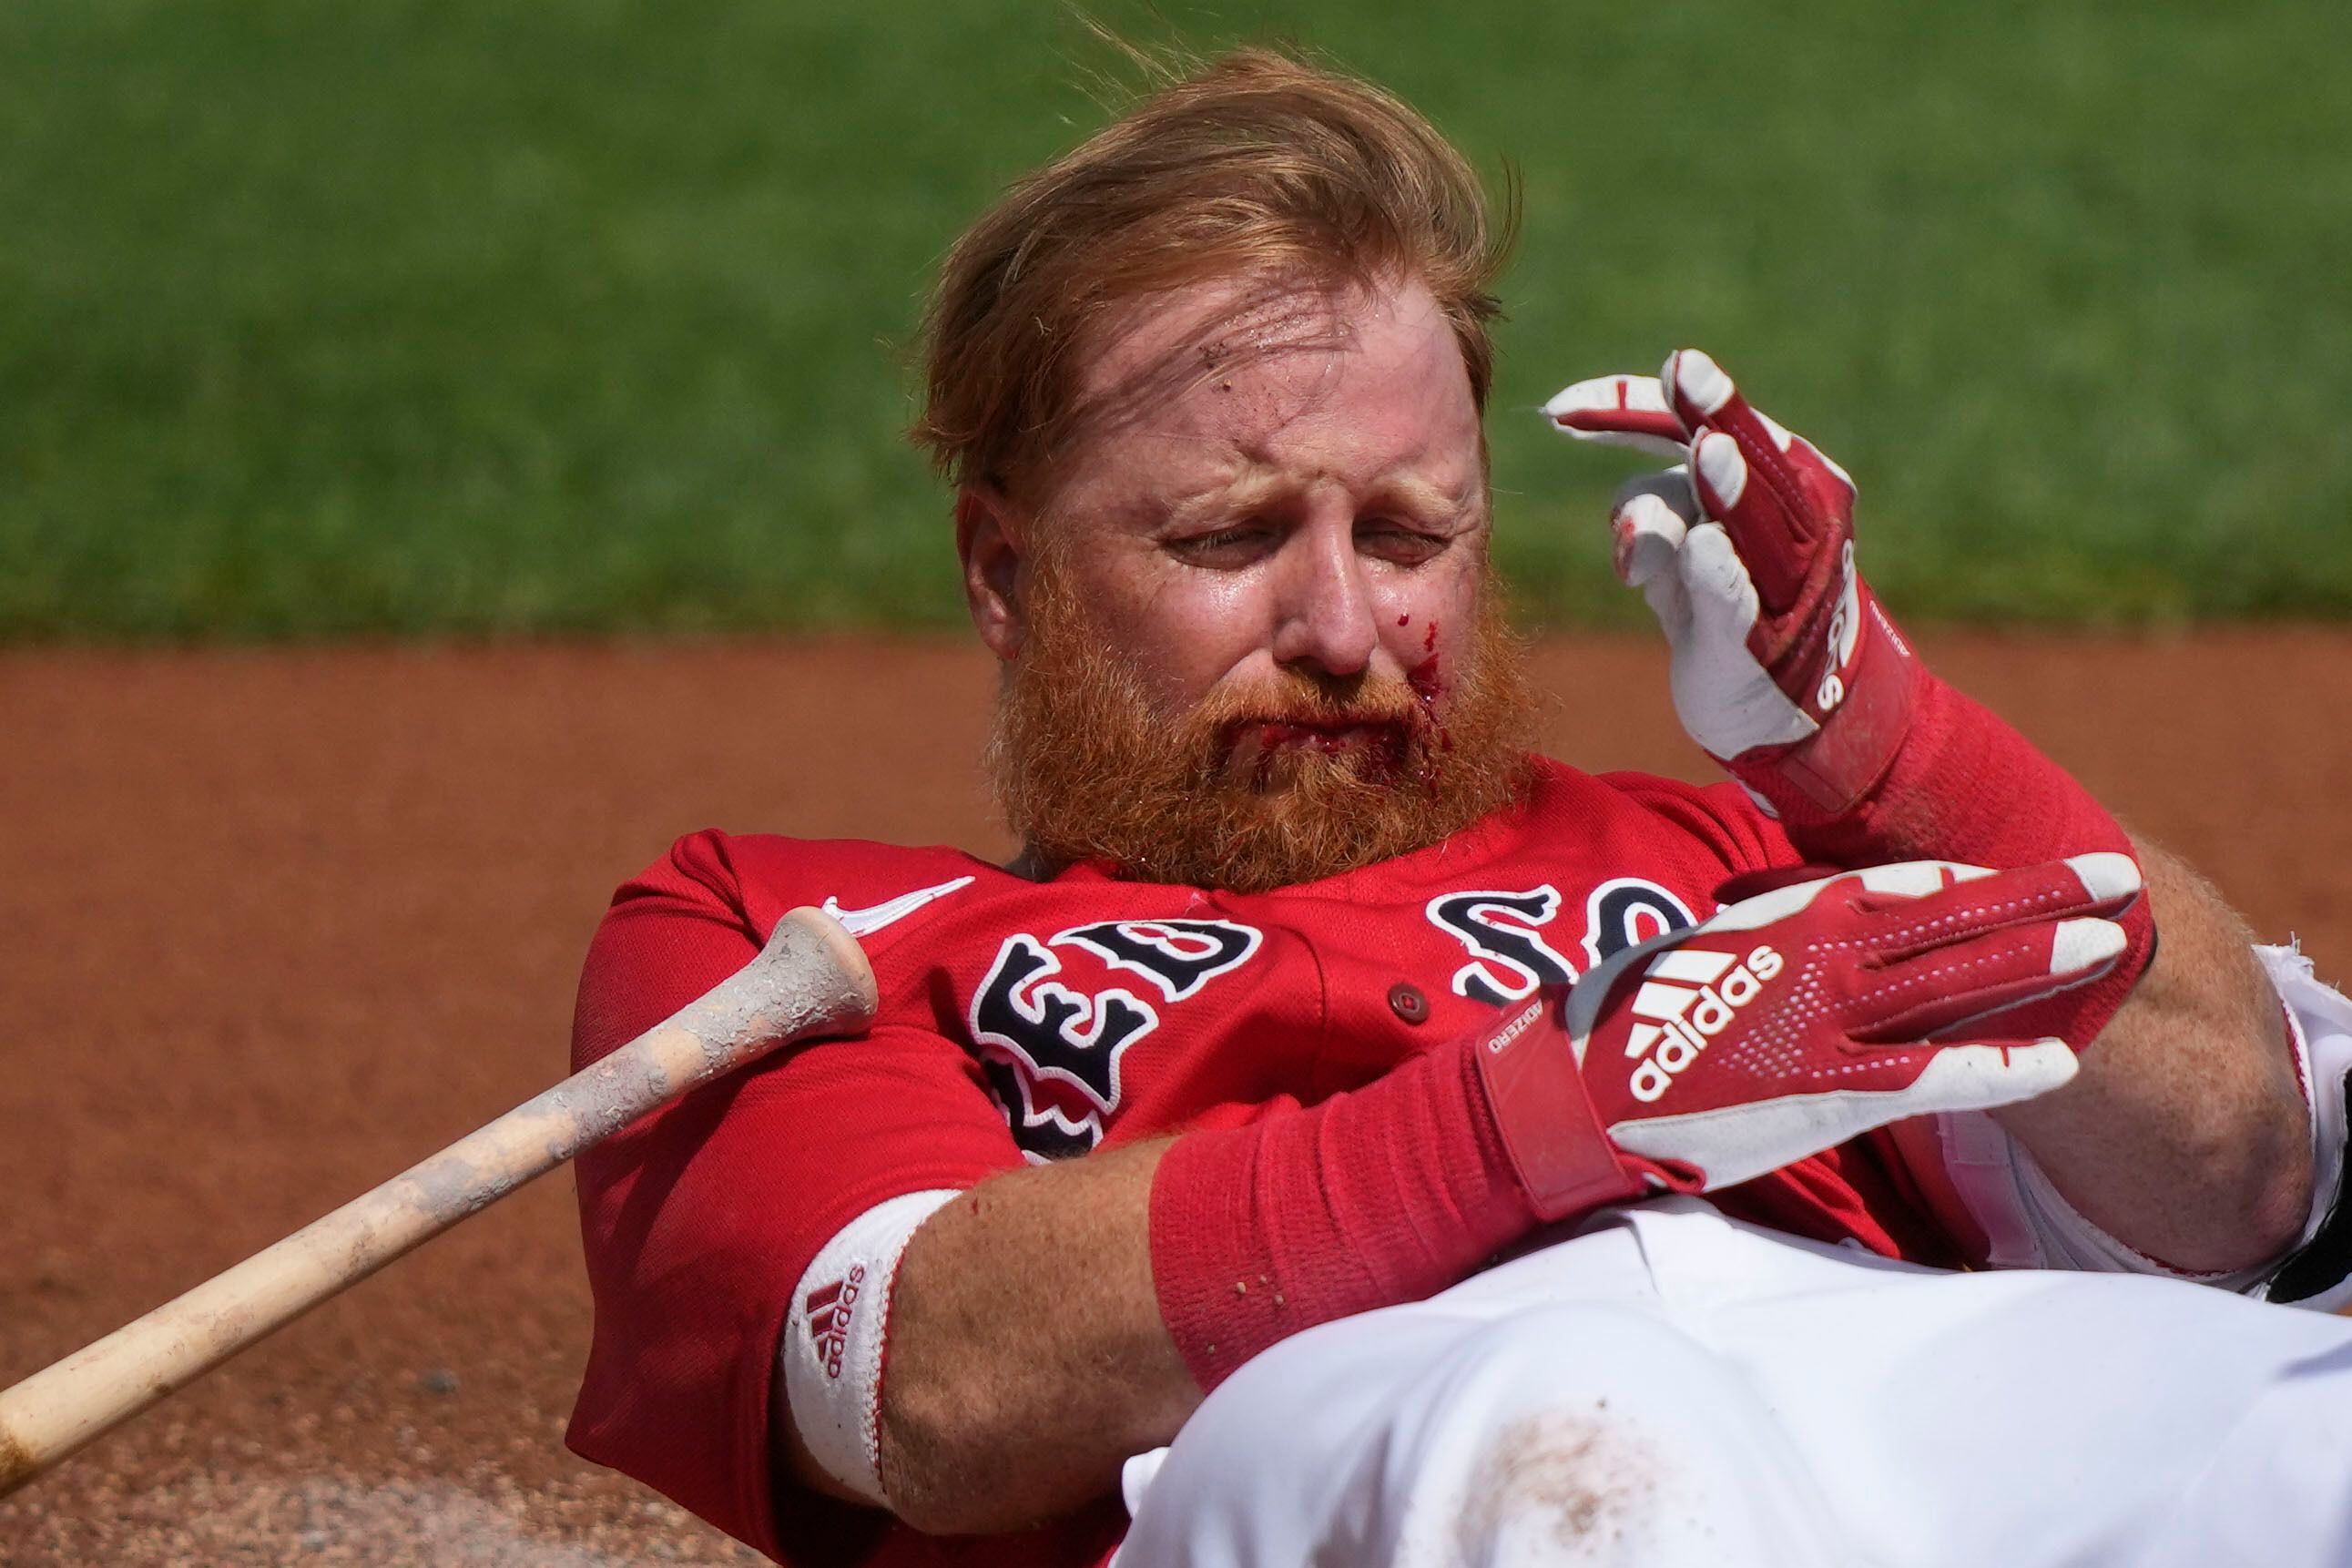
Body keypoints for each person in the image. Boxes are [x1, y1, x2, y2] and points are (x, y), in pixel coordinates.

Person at [561, 47, 2352, 1568]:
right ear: (1003, 570)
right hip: (1360, 1430)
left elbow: (2247, 1187)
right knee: (1574, 1427)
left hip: (1901, 1386)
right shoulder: (793, 936)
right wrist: (1566, 1102)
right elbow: (920, 1386)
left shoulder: (1724, 859)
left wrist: (1885, 753)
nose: (1343, 628)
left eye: (1408, 535)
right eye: (1231, 535)